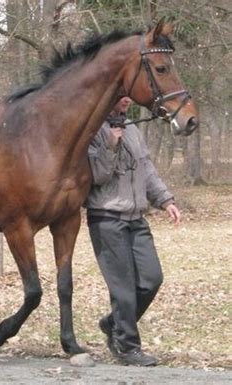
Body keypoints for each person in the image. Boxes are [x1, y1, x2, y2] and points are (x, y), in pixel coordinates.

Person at [85, 96, 181, 366]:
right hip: (106, 217)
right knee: (123, 289)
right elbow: (98, 177)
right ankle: (127, 348)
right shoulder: (93, 131)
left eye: (129, 95)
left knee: (152, 278)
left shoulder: (134, 130)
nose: (127, 99)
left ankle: (113, 323)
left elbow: (147, 170)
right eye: (120, 95)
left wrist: (165, 200)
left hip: (136, 217)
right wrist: (111, 144)